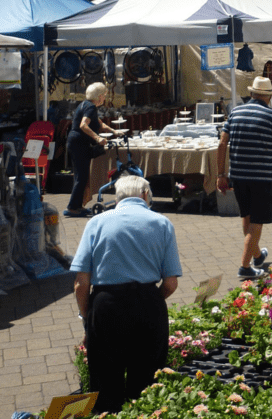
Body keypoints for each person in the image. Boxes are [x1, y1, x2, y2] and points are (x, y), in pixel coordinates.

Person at [71, 175, 182, 413]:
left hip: (106, 305)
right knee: (147, 383)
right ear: (145, 195)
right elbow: (170, 283)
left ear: (118, 196)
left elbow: (81, 284)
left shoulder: (96, 223)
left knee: (104, 380)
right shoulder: (162, 223)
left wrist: (86, 319)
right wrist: (149, 300)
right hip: (148, 302)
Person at [216, 76, 272, 278]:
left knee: (247, 216)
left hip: (238, 175)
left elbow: (221, 144)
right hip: (261, 177)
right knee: (257, 223)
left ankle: (257, 255)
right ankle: (245, 267)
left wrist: (220, 174)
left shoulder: (235, 112)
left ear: (252, 93)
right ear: (268, 97)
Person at [64, 82, 118, 218]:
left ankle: (77, 206)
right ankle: (72, 207)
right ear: (99, 96)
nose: (104, 99)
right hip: (78, 143)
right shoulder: (90, 107)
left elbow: (99, 122)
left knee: (80, 175)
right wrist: (98, 138)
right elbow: (83, 125)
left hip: (75, 142)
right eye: (104, 96)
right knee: (81, 176)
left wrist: (113, 130)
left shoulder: (86, 105)